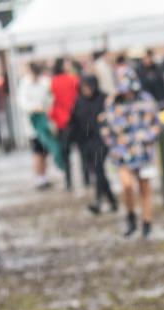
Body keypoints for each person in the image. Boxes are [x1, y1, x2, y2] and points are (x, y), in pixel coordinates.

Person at [99, 67, 160, 238]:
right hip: (122, 152)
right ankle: (131, 217)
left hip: (143, 151)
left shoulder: (146, 100)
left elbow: (156, 122)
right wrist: (113, 144)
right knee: (126, 186)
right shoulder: (112, 103)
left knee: (144, 188)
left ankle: (146, 222)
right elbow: (105, 127)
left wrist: (148, 137)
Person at [70, 75, 117, 215]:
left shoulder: (103, 99)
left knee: (98, 170)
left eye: (88, 87)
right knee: (98, 172)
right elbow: (74, 122)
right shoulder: (79, 102)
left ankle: (97, 201)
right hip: (86, 143)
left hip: (101, 141)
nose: (86, 91)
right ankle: (112, 201)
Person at [18, 62, 58, 189]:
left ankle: (43, 176)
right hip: (33, 124)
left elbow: (51, 98)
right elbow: (23, 103)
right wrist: (36, 108)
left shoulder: (44, 83)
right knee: (37, 152)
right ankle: (38, 178)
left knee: (45, 151)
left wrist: (46, 109)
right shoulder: (25, 85)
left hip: (45, 122)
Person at [49, 57, 79, 190]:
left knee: (65, 152)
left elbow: (51, 103)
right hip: (75, 119)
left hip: (61, 120)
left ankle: (68, 182)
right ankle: (87, 178)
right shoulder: (73, 80)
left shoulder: (53, 82)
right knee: (83, 150)